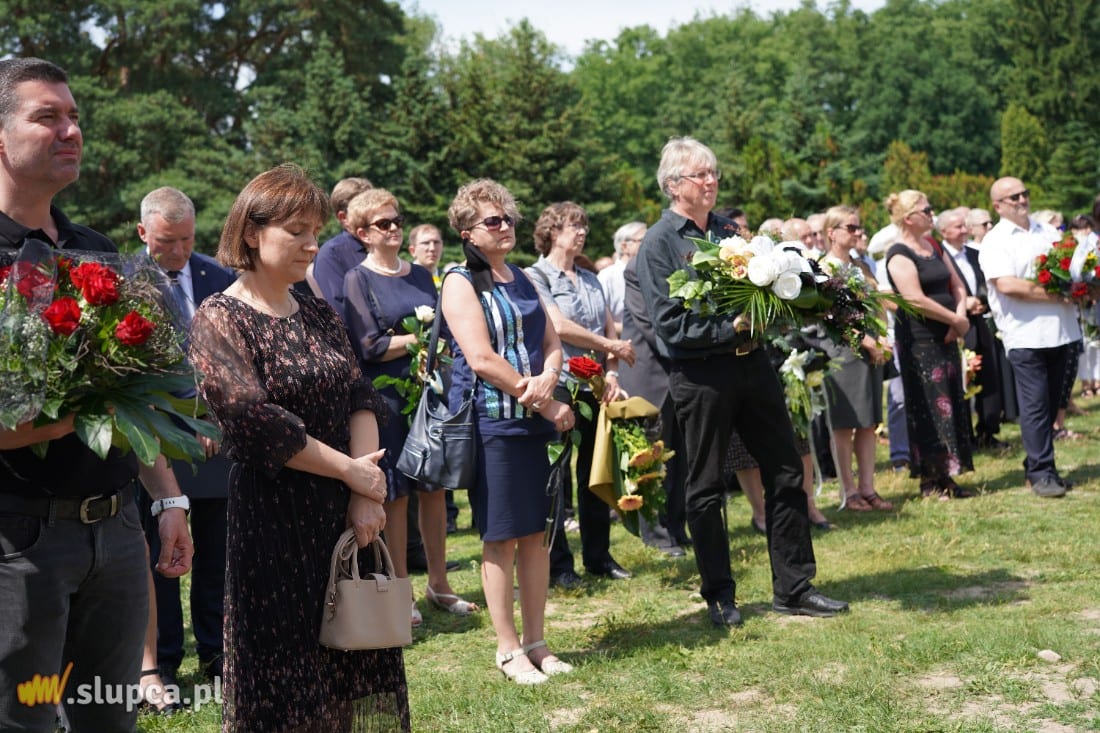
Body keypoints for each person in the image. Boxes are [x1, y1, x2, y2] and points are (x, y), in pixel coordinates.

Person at [0, 57, 193, 733]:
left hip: (114, 531)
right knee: (22, 721)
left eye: (75, 116)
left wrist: (166, 497)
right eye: (47, 116)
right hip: (20, 541)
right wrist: (75, 414)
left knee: (107, 720)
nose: (71, 130)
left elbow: (134, 395)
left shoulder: (97, 252)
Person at [188, 164, 409, 731]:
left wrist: (365, 493)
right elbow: (255, 423)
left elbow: (362, 397)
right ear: (251, 232)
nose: (312, 245)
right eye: (296, 232)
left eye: (315, 232)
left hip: (342, 517)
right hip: (274, 523)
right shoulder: (218, 318)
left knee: (345, 669)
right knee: (285, 683)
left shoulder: (317, 311)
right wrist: (353, 474)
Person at [634, 136, 847, 627]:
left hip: (754, 365)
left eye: (714, 174)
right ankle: (720, 596)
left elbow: (764, 289)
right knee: (706, 488)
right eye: (699, 175)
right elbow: (670, 326)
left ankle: (794, 586)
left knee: (788, 471)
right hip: (702, 376)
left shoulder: (730, 232)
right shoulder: (660, 243)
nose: (710, 182)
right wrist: (729, 327)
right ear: (673, 185)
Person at [441, 178, 574, 684]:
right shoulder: (459, 280)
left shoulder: (520, 276)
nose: (504, 228)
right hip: (492, 420)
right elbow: (479, 358)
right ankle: (507, 648)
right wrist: (539, 399)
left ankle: (538, 642)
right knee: (500, 538)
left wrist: (551, 379)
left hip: (530, 420)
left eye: (509, 219)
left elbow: (551, 338)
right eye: (492, 221)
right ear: (468, 231)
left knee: (536, 535)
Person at [342, 189, 476, 625]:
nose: (395, 228)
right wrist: (420, 340)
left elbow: (444, 324)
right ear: (363, 233)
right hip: (388, 397)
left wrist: (433, 351)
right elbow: (370, 344)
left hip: (428, 389)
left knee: (434, 486)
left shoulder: (421, 274)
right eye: (384, 223)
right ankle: (402, 590)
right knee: (397, 493)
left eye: (397, 220)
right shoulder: (357, 279)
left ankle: (440, 583)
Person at [136, 186, 236, 697]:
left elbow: (236, 360)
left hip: (213, 435)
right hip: (153, 437)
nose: (177, 253)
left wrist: (216, 419)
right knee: (162, 553)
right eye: (166, 242)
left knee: (217, 550)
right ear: (142, 234)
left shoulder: (219, 278)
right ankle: (165, 660)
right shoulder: (122, 283)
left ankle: (219, 654)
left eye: (187, 240)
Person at [526, 202, 635, 588]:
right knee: (557, 475)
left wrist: (612, 373)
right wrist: (611, 344)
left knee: (596, 470)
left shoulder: (591, 278)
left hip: (595, 385)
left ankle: (598, 556)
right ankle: (559, 564)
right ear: (552, 231)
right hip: (559, 382)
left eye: (584, 225)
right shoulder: (535, 276)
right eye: (574, 225)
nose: (582, 231)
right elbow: (558, 326)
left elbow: (612, 333)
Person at [979, 177, 1081, 498]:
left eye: (1025, 193)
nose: (1022, 200)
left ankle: (1038, 464)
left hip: (1063, 330)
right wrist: (1054, 295)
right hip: (1026, 335)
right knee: (1035, 405)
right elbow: (1006, 284)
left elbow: (1072, 267)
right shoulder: (995, 241)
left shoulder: (1048, 232)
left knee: (1051, 405)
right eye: (1013, 197)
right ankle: (1041, 473)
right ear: (998, 206)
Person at [884, 194, 975, 499]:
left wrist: (958, 319)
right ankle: (930, 480)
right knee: (928, 407)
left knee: (951, 401)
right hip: (920, 340)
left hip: (947, 334)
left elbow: (957, 284)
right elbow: (914, 299)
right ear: (909, 217)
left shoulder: (932, 245)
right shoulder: (898, 254)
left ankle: (949, 475)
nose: (932, 214)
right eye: (926, 210)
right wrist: (955, 319)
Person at [619, 237, 691, 558]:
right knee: (649, 460)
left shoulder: (682, 266)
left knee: (680, 460)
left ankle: (676, 525)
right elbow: (652, 325)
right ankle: (655, 533)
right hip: (649, 376)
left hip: (678, 372)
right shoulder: (636, 269)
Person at [818, 205, 893, 512]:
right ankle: (848, 491)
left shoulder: (862, 266)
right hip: (843, 352)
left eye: (859, 228)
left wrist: (883, 336)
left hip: (871, 349)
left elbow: (877, 306)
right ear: (831, 232)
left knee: (868, 422)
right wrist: (866, 340)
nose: (858, 233)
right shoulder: (823, 269)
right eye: (851, 228)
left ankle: (868, 487)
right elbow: (830, 315)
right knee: (844, 424)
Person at [937, 206, 1007, 450]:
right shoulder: (939, 258)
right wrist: (962, 304)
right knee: (961, 382)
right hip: (954, 327)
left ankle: (988, 432)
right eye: (958, 226)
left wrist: (981, 302)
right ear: (944, 231)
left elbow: (989, 285)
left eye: (965, 225)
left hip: (979, 323)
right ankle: (964, 437)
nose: (964, 230)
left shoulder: (975, 254)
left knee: (989, 380)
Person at [306, 176, 372, 309]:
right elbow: (340, 312)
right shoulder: (331, 255)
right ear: (343, 217)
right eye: (366, 210)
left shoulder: (381, 246)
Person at [597, 220, 645, 336]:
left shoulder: (650, 273)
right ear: (624, 246)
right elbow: (599, 321)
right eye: (643, 240)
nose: (649, 244)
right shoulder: (607, 276)